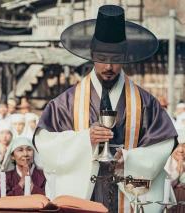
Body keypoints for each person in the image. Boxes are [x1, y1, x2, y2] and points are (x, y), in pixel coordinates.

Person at [34, 5, 177, 213]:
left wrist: (129, 160)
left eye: (115, 60)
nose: (108, 67)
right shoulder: (66, 102)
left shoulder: (145, 103)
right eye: (101, 58)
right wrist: (85, 139)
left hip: (127, 189)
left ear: (125, 56)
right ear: (92, 54)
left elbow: (163, 144)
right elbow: (45, 143)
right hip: (85, 191)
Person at [166, 128, 185, 213]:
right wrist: (176, 173)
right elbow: (163, 186)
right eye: (177, 146)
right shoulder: (165, 163)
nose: (181, 150)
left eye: (184, 146)